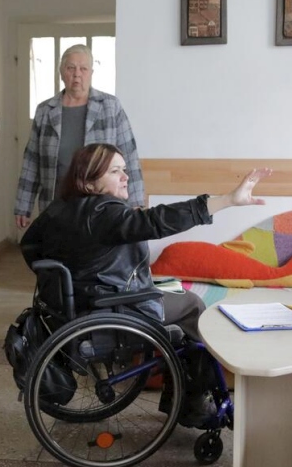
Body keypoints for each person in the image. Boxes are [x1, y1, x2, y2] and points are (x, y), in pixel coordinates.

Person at [21, 143, 270, 424]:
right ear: (89, 182)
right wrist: (226, 200)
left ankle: (182, 390)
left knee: (172, 294)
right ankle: (192, 404)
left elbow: (29, 245)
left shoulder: (59, 209)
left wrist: (72, 285)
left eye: (124, 169)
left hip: (77, 309)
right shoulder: (105, 213)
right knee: (192, 306)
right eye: (115, 171)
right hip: (111, 310)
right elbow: (157, 221)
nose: (125, 176)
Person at [14, 44, 145, 230]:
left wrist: (135, 201)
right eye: (70, 68)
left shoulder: (110, 106)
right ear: (61, 72)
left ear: (91, 72)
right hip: (56, 202)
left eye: (83, 68)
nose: (77, 74)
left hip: (101, 203)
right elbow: (31, 161)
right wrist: (23, 206)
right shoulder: (45, 111)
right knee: (57, 252)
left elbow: (129, 155)